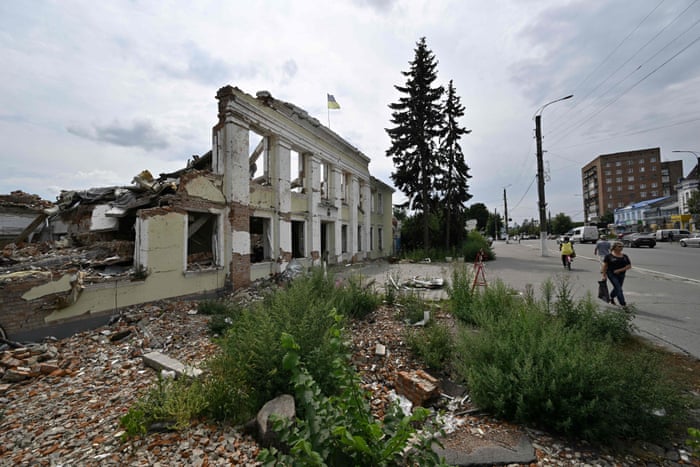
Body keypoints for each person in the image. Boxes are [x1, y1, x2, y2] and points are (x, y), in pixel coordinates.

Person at [602, 241, 632, 309]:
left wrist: (619, 270)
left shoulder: (624, 256)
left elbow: (629, 266)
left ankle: (611, 297)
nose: (621, 248)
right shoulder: (609, 256)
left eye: (622, 246)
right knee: (619, 289)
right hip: (611, 274)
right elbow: (605, 266)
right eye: (619, 246)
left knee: (617, 289)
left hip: (621, 275)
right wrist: (604, 275)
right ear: (614, 247)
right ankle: (623, 304)